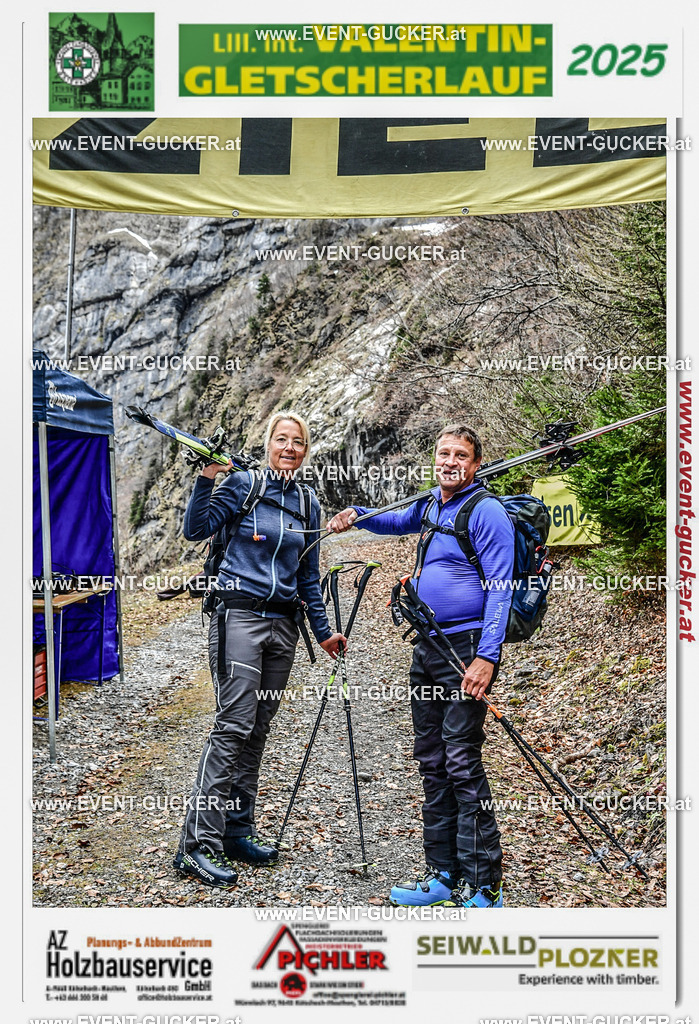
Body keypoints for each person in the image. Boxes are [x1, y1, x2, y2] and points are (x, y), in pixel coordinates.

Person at [327, 425, 514, 908]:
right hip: (428, 646)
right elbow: (394, 521)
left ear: (475, 465)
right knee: (432, 759)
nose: (451, 461)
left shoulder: (486, 511)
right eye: (444, 452)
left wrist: (486, 657)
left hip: (466, 649)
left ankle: (485, 883)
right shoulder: (431, 505)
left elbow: (500, 588)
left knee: (460, 759)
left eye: (461, 455)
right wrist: (358, 516)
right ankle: (443, 875)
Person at [174, 412, 345, 889]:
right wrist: (207, 476)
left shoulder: (308, 503)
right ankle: (196, 845)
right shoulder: (244, 485)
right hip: (239, 615)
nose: (289, 448)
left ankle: (236, 831)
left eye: (297, 442)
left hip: (283, 625)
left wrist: (325, 629)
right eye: (281, 439)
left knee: (257, 730)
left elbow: (308, 575)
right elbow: (196, 528)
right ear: (268, 443)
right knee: (232, 725)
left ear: (305, 450)